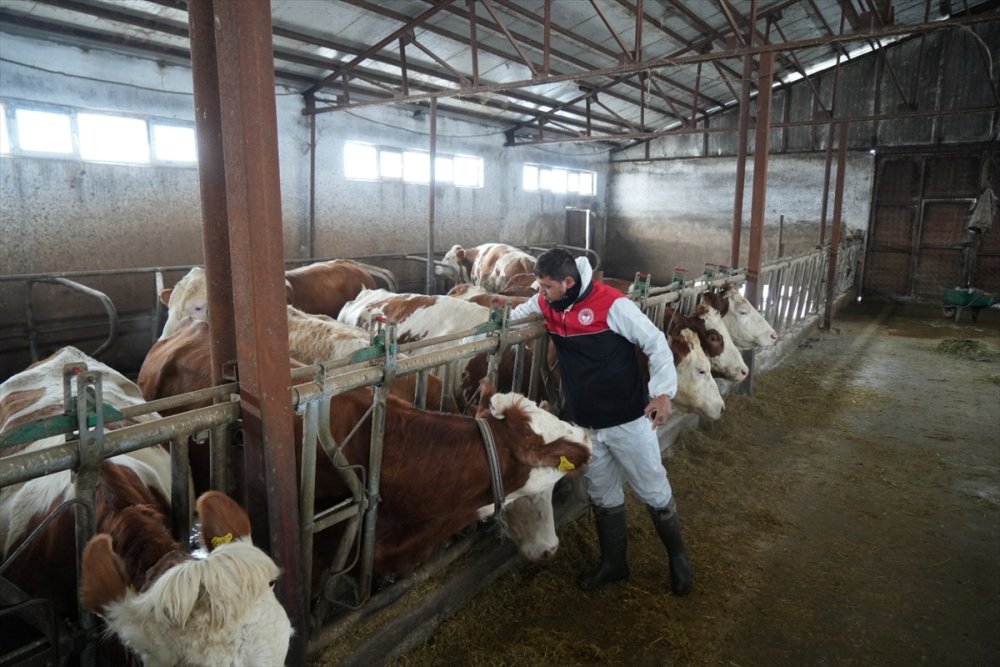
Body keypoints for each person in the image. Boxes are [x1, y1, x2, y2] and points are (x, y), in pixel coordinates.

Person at [510, 248, 693, 596]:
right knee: (603, 494)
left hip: (629, 418)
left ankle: (678, 558)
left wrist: (663, 393)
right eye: (538, 285)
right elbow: (518, 315)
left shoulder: (612, 304)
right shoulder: (547, 302)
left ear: (568, 282)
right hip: (586, 422)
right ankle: (614, 564)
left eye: (546, 286)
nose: (540, 292)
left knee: (653, 488)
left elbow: (655, 342)